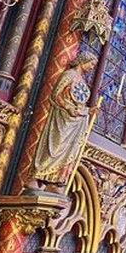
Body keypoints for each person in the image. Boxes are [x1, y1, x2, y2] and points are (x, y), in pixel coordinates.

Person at [26, 51, 98, 192]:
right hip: (61, 118)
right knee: (54, 146)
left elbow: (78, 103)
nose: (91, 67)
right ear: (83, 60)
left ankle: (54, 180)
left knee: (68, 150)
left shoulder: (82, 81)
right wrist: (68, 108)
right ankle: (35, 177)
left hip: (75, 122)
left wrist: (88, 111)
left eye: (94, 65)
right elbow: (56, 96)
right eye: (91, 64)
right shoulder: (68, 75)